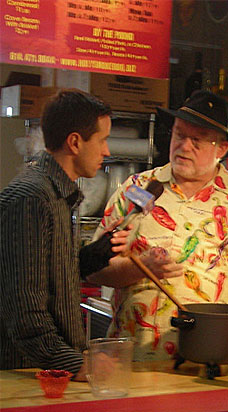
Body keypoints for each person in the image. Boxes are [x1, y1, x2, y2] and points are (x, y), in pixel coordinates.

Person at [93, 90, 228, 362]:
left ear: (221, 148)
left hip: (208, 363)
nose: (184, 146)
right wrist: (140, 269)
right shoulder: (136, 189)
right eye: (179, 135)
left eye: (197, 141)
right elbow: (94, 270)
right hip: (133, 361)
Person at [0, 89, 131, 381]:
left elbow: (48, 279)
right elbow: (25, 313)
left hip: (49, 373)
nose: (107, 151)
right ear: (75, 142)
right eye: (102, 140)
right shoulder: (32, 197)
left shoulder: (58, 196)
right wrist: (76, 365)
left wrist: (92, 256)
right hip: (27, 376)